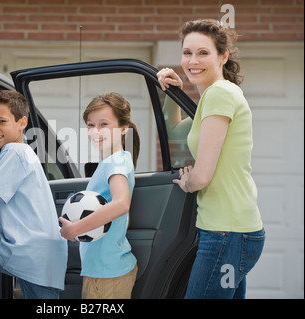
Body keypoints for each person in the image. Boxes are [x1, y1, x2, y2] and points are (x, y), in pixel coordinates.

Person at [157, 19, 264, 299]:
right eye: (187, 53)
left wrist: (187, 182)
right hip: (228, 231)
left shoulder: (219, 94)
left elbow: (202, 175)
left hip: (227, 232)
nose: (193, 60)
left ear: (223, 55)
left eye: (203, 53)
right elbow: (174, 130)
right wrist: (173, 92)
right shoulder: (212, 97)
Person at [0, 90, 67, 299]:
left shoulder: (13, 152)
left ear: (22, 122)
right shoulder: (25, 152)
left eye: (1, 121)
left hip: (29, 255)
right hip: (43, 255)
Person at [59, 92, 139, 299]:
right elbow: (124, 219)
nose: (96, 131)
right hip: (103, 269)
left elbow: (122, 204)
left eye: (104, 124)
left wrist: (75, 229)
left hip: (107, 273)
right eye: (90, 125)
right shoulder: (112, 161)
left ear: (123, 128)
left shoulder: (116, 162)